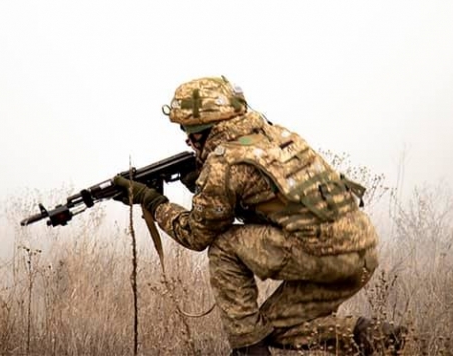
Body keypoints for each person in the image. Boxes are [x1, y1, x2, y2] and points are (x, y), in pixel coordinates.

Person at [111, 76, 405, 355]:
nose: (187, 140)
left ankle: (247, 350)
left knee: (224, 246)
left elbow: (196, 235)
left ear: (206, 127)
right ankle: (379, 338)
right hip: (363, 252)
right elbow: (278, 207)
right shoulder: (279, 136)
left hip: (324, 256)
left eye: (188, 130)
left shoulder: (223, 164)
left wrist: (153, 202)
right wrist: (201, 184)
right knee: (275, 331)